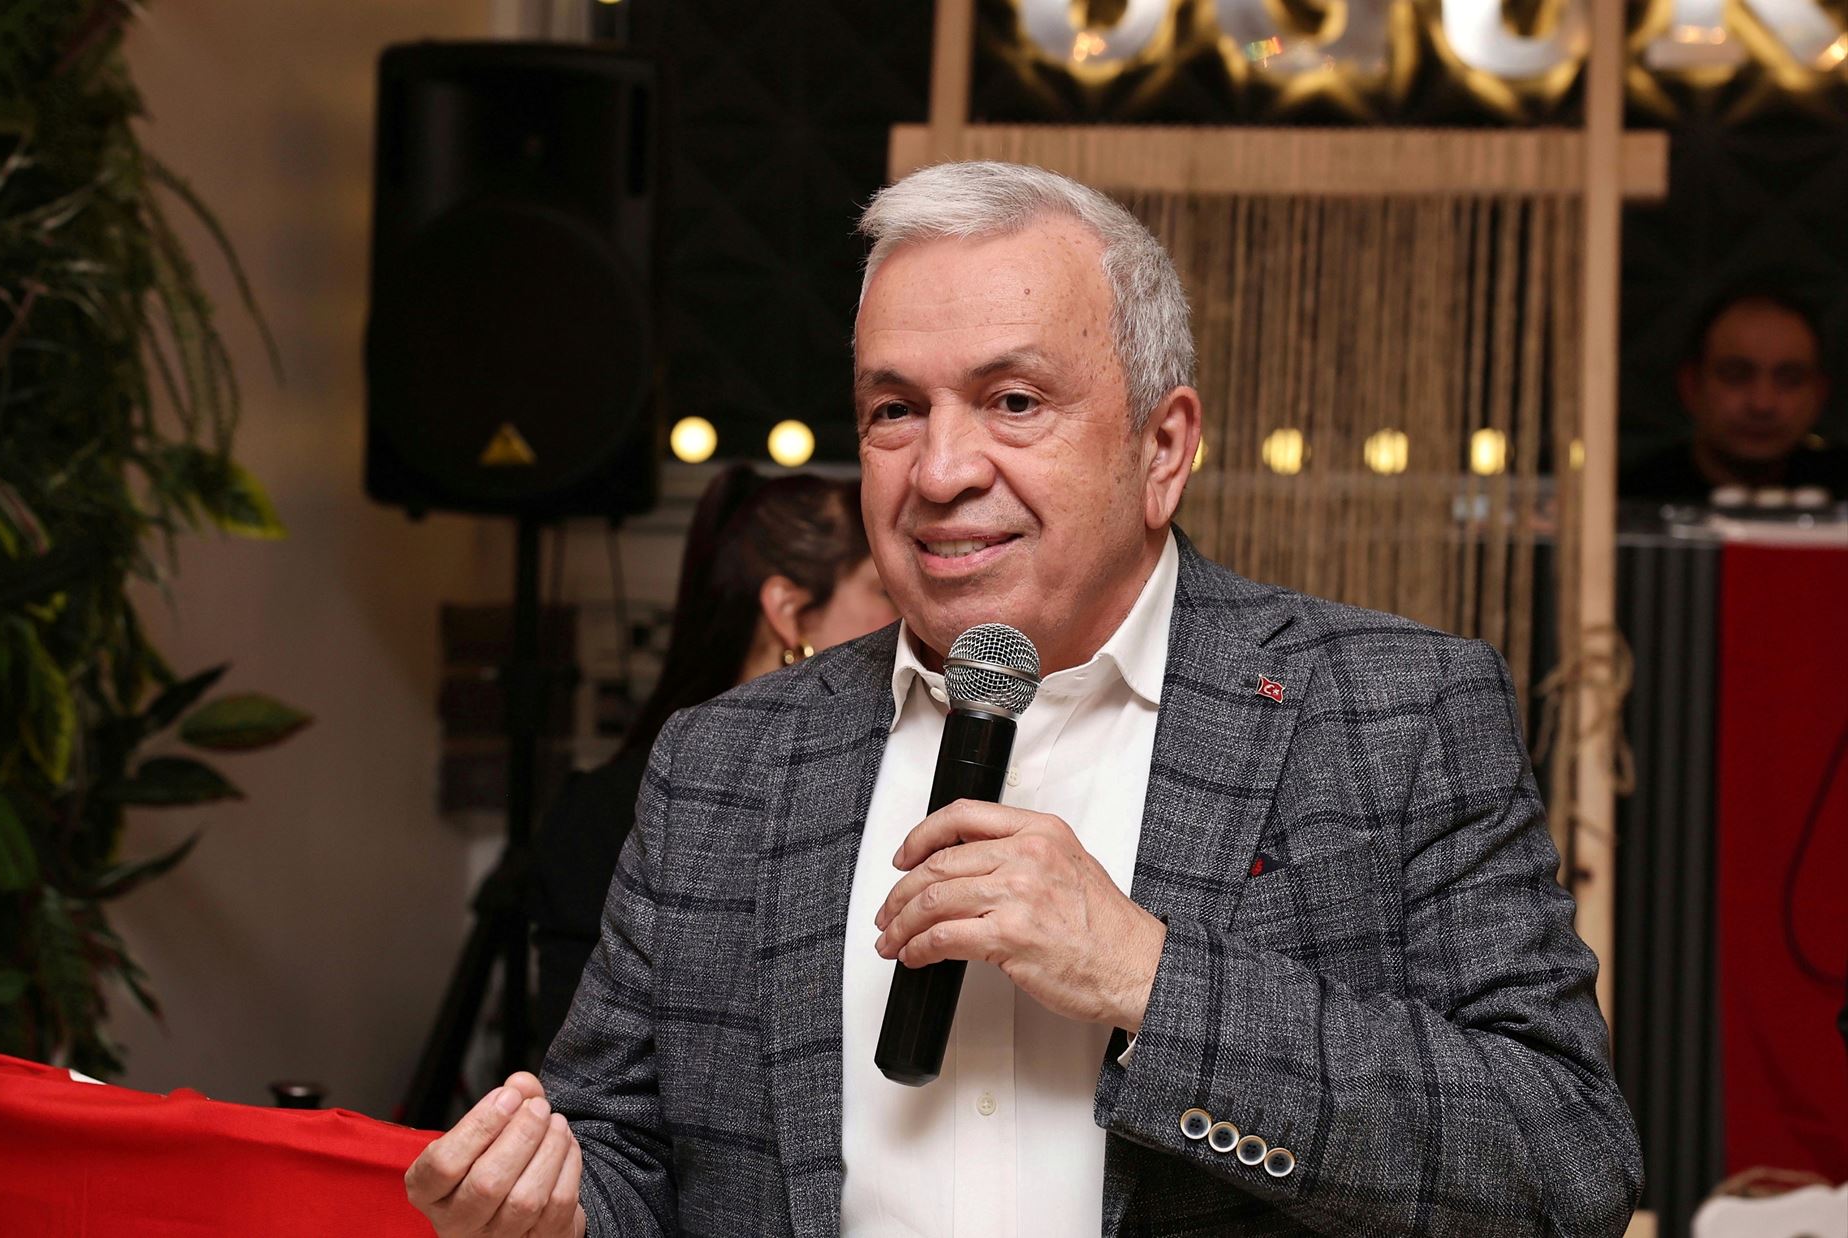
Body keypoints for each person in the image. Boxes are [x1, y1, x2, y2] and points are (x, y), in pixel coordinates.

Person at [406, 162, 1643, 1236]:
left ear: (1163, 447)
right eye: (895, 410)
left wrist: (1148, 973)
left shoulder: (1390, 714)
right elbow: (626, 1155)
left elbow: (1566, 1162)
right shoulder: (722, 765)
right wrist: (551, 1205)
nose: (942, 469)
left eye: (1013, 401)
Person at [528, 463, 897, 1042]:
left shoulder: (892, 775)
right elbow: (583, 1067)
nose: (904, 618)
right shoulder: (614, 813)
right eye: (884, 592)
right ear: (789, 612)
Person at [1623, 285, 1848, 501]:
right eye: (1736, 375)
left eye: (1789, 379)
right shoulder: (1628, 498)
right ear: (1691, 386)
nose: (1762, 403)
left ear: (1819, 393)